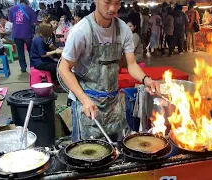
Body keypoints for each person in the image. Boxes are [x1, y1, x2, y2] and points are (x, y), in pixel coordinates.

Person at [58, 0, 159, 142]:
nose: (113, 8)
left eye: (117, 3)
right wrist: (84, 99)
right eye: (107, 2)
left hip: (113, 103)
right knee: (87, 153)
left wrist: (146, 79)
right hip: (87, 102)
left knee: (117, 150)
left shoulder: (123, 29)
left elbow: (131, 64)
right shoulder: (81, 31)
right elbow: (64, 68)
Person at [9, 0, 37, 72]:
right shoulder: (31, 10)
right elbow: (34, 23)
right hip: (27, 34)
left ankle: (23, 68)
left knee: (20, 51)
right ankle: (32, 67)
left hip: (16, 34)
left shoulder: (12, 9)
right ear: (27, 2)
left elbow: (11, 20)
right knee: (31, 51)